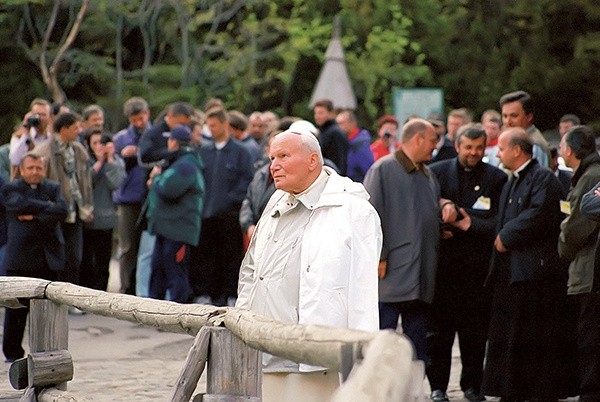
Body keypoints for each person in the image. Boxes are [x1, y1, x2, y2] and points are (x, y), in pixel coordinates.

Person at [236, 126, 382, 402]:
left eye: (283, 156)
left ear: (313, 160)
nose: (274, 166)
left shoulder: (354, 212)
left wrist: (362, 359)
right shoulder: (275, 201)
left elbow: (363, 292)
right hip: (265, 350)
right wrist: (243, 321)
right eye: (271, 159)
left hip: (317, 358)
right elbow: (252, 271)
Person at [482, 127, 578, 401]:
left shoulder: (543, 179)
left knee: (534, 339)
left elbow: (540, 213)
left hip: (534, 275)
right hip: (511, 274)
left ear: (516, 150)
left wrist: (506, 236)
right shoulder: (513, 180)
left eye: (501, 148)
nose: (498, 153)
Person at [363, 118, 457, 362]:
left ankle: (413, 393)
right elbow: (370, 218)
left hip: (422, 273)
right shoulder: (382, 170)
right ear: (418, 139)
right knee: (382, 340)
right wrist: (379, 257)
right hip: (391, 271)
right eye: (432, 140)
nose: (434, 147)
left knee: (417, 344)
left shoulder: (428, 175)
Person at [427, 124, 507, 402]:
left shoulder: (496, 178)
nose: (473, 153)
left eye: (478, 148)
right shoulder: (436, 172)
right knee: (439, 335)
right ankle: (437, 387)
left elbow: (499, 220)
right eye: (468, 147)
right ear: (457, 145)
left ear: (485, 148)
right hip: (443, 269)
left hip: (477, 270)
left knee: (474, 335)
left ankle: (472, 386)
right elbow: (425, 211)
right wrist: (442, 216)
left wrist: (466, 222)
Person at [2, 152, 68, 362]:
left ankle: (45, 352)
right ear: (21, 170)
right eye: (30, 168)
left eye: (39, 168)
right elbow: (18, 205)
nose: (35, 172)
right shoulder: (11, 188)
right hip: (20, 258)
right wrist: (47, 207)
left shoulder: (53, 188)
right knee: (16, 312)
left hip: (48, 257)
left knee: (48, 312)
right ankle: (12, 354)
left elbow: (63, 209)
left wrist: (35, 215)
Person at [192, 107, 253, 306]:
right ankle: (205, 293)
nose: (210, 129)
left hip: (229, 215)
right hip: (205, 215)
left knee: (230, 256)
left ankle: (230, 294)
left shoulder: (240, 153)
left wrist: (229, 199)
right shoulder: (204, 151)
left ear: (224, 124)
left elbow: (246, 181)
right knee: (205, 256)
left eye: (214, 125)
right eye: (208, 126)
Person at [558, 125, 600, 402]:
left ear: (570, 151)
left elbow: (575, 228)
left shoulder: (590, 177)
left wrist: (562, 245)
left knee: (590, 338)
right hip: (588, 270)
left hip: (591, 272)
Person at [145, 125, 204, 303]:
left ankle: (177, 313)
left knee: (175, 271)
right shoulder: (179, 161)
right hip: (167, 227)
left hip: (178, 230)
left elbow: (169, 189)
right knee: (159, 270)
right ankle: (153, 310)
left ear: (173, 142)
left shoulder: (186, 164)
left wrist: (156, 178)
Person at [34, 112, 94, 288]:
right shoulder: (44, 151)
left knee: (75, 256)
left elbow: (86, 181)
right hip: (54, 210)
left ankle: (72, 297)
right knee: (56, 255)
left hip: (75, 210)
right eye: (75, 128)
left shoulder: (79, 150)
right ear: (64, 129)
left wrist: (88, 207)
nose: (79, 131)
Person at [112, 97, 152, 295]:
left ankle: (146, 290)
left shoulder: (156, 135)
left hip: (152, 198)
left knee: (149, 248)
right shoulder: (120, 139)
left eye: (141, 118)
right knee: (127, 247)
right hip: (127, 198)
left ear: (148, 114)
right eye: (134, 120)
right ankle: (126, 288)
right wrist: (122, 156)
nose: (138, 123)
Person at [80, 130, 126, 291]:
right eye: (95, 143)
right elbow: (85, 182)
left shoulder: (116, 162)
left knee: (103, 259)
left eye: (103, 143)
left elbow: (116, 183)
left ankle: (101, 292)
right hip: (87, 218)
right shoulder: (85, 161)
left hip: (106, 219)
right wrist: (98, 163)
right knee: (86, 259)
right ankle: (84, 290)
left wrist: (110, 160)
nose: (100, 146)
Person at [499, 90, 551, 168]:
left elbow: (538, 178)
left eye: (514, 116)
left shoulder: (535, 145)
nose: (508, 121)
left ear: (529, 117)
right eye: (505, 116)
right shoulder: (513, 139)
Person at [9, 98, 53, 179]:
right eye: (37, 114)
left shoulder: (52, 139)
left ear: (50, 117)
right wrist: (26, 131)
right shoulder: (19, 136)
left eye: (43, 115)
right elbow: (15, 160)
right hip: (23, 187)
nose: (40, 118)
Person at [335, 110, 374, 182]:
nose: (338, 127)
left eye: (341, 123)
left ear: (352, 123)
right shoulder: (346, 142)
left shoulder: (360, 145)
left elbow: (369, 172)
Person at [312, 99, 348, 175]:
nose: (317, 116)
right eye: (316, 113)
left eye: (321, 113)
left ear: (331, 114)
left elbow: (340, 161)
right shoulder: (323, 132)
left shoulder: (334, 133)